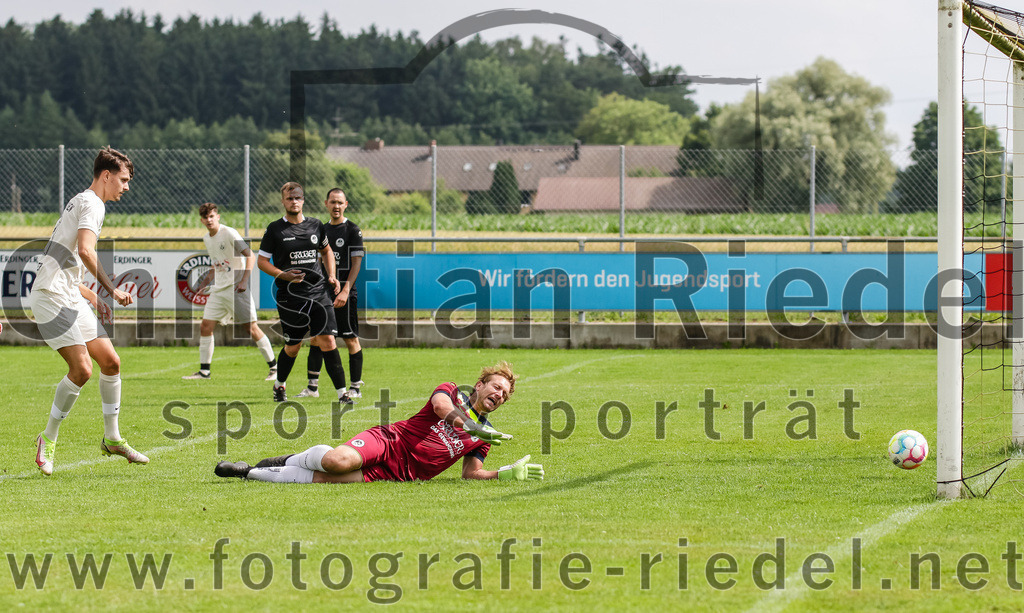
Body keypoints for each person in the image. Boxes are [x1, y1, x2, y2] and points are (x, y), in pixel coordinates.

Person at [214, 361, 544, 484]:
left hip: (399, 474)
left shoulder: (485, 436)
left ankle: (248, 472)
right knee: (336, 460)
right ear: (482, 383)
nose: (499, 394)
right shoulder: (453, 392)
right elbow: (441, 406)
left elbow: (471, 473)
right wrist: (470, 426)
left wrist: (504, 473)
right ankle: (289, 458)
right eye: (496, 387)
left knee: (327, 478)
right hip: (390, 440)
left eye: (505, 394)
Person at [29, 147, 149, 475]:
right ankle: (47, 439)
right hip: (50, 297)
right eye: (123, 180)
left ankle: (112, 438)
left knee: (111, 362)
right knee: (82, 369)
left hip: (68, 293)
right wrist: (111, 289)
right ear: (106, 176)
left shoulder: (86, 201)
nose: (127, 186)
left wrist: (89, 295)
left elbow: (63, 258)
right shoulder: (92, 204)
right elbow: (84, 250)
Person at [257, 182, 351, 403]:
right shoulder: (275, 229)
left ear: (303, 200)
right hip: (290, 297)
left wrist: (331, 275)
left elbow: (327, 251)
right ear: (283, 201)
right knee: (293, 346)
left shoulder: (316, 225)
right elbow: (262, 261)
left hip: (318, 292)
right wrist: (283, 275)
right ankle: (279, 385)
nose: (294, 201)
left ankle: (343, 394)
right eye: (289, 198)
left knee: (328, 340)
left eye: (297, 198)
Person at [182, 202, 278, 381]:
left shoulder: (229, 233)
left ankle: (275, 368)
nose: (209, 220)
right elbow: (217, 264)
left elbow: (250, 255)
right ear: (201, 220)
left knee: (251, 328)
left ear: (217, 216)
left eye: (212, 216)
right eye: (205, 217)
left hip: (236, 288)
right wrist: (205, 281)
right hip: (219, 290)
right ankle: (204, 372)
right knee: (205, 326)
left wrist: (243, 281)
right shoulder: (207, 238)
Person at [297, 188, 365, 400]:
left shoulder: (353, 230)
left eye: (340, 202)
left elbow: (356, 263)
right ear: (326, 203)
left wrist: (345, 290)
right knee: (317, 338)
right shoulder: (321, 229)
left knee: (350, 339)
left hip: (345, 293)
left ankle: (355, 388)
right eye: (332, 202)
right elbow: (319, 262)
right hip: (322, 294)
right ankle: (312, 388)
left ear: (346, 204)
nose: (336, 206)